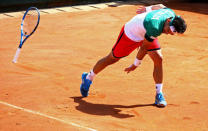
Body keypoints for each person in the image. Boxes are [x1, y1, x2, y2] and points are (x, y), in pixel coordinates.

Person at [80, 4, 187, 107]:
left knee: (158, 58)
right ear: (168, 20)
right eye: (171, 30)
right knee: (112, 59)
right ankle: (88, 77)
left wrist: (147, 9)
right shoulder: (155, 27)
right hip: (131, 33)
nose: (169, 33)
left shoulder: (169, 13)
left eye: (173, 33)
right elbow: (144, 48)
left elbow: (160, 6)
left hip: (147, 33)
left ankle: (159, 94)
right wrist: (136, 64)